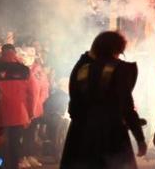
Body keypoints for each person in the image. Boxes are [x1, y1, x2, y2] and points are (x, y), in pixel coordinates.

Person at [60, 31, 146, 169]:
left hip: (81, 135)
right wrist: (140, 138)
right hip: (112, 135)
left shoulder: (82, 69)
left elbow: (74, 106)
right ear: (117, 49)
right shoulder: (120, 69)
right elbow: (126, 106)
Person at [0, 44, 36, 169]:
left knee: (0, 142)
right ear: (14, 53)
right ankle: (13, 165)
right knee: (15, 142)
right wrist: (30, 113)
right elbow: (32, 94)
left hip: (0, 112)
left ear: (2, 53)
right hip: (19, 113)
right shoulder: (24, 70)